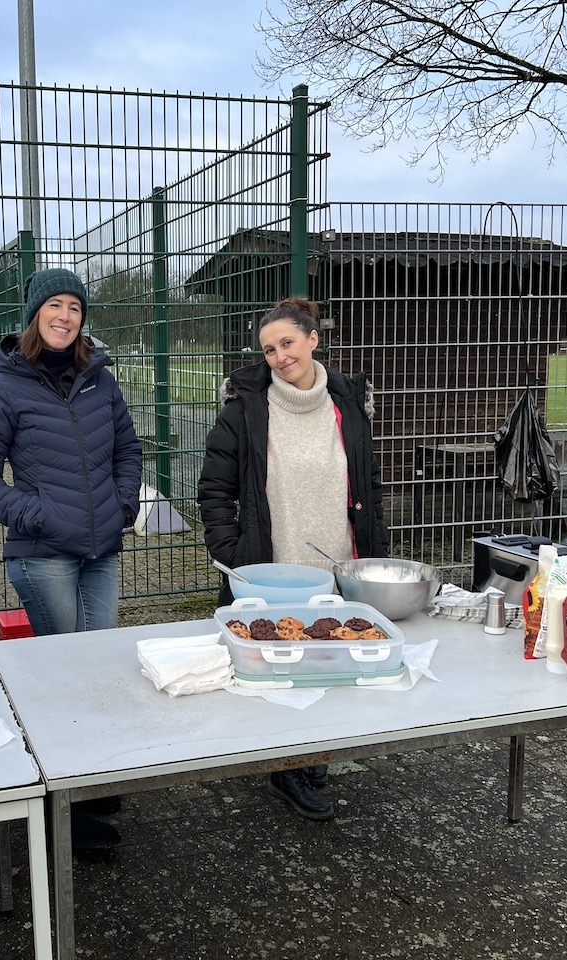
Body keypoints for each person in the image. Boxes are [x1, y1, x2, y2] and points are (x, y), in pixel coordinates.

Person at [0, 267, 142, 849]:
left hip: (102, 549)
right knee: (64, 678)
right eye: (55, 305)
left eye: (75, 306)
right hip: (43, 555)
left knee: (98, 668)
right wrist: (36, 514)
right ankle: (57, 808)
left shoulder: (99, 380)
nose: (65, 316)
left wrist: (123, 504)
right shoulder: (2, 390)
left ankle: (83, 779)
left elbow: (128, 450)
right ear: (35, 314)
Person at [197, 295, 391, 821]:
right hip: (271, 569)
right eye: (269, 349)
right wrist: (233, 555)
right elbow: (214, 490)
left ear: (312, 340)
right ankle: (285, 764)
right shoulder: (245, 409)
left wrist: (373, 548)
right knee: (279, 667)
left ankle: (315, 749)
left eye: (287, 343)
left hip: (337, 563)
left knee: (328, 659)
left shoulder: (349, 404)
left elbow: (369, 482)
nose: (280, 356)